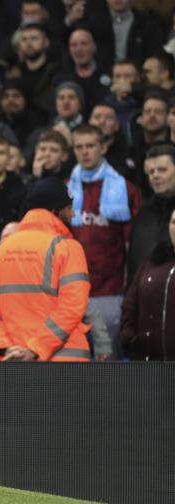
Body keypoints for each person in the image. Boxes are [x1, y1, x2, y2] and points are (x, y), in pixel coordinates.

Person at [0, 177, 92, 362]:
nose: (73, 214)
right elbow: (72, 308)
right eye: (69, 207)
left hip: (13, 364)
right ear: (55, 210)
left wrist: (6, 347)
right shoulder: (68, 248)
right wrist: (36, 349)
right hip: (65, 364)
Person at [68, 124, 141, 354]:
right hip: (71, 293)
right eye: (79, 147)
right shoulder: (64, 191)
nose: (85, 152)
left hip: (110, 292)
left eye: (90, 145)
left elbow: (133, 247)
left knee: (107, 369)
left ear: (103, 147)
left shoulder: (125, 190)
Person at [120, 207, 175, 361]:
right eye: (173, 222)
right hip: (147, 363)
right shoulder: (153, 262)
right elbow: (130, 304)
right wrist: (129, 336)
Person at [128, 144, 175, 282]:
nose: (155, 176)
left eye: (162, 170)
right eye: (151, 172)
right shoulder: (143, 215)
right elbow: (135, 262)